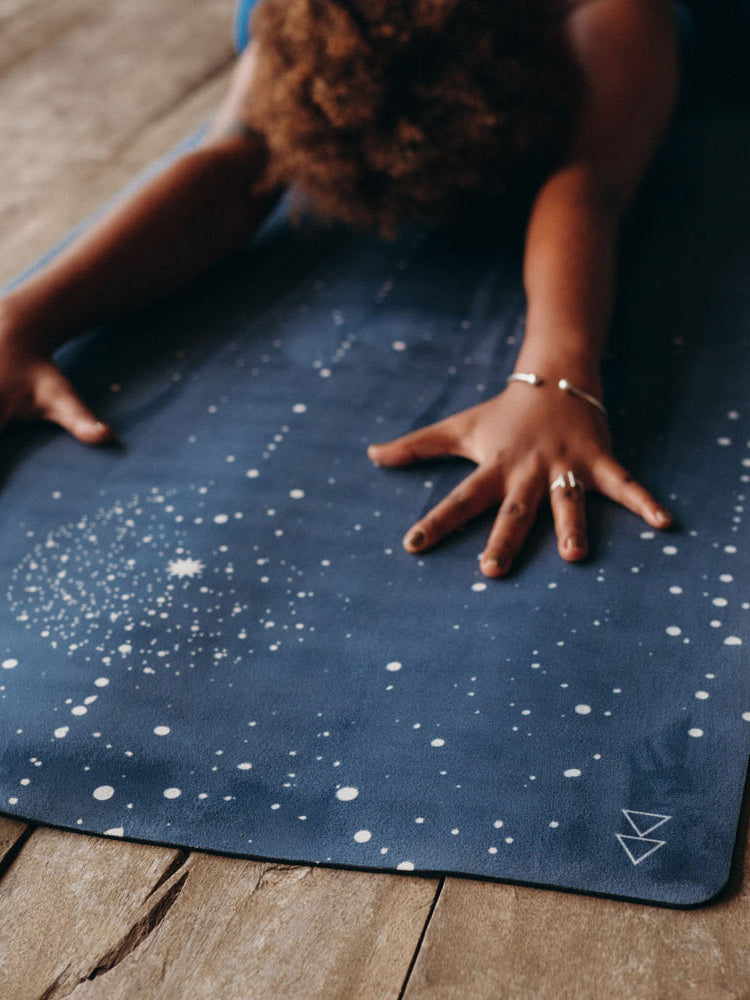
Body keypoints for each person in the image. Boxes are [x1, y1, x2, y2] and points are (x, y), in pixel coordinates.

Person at [0, 0, 679, 578]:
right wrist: (24, 318)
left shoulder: (616, 20)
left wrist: (556, 379)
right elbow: (233, 169)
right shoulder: (299, 22)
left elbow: (588, 186)